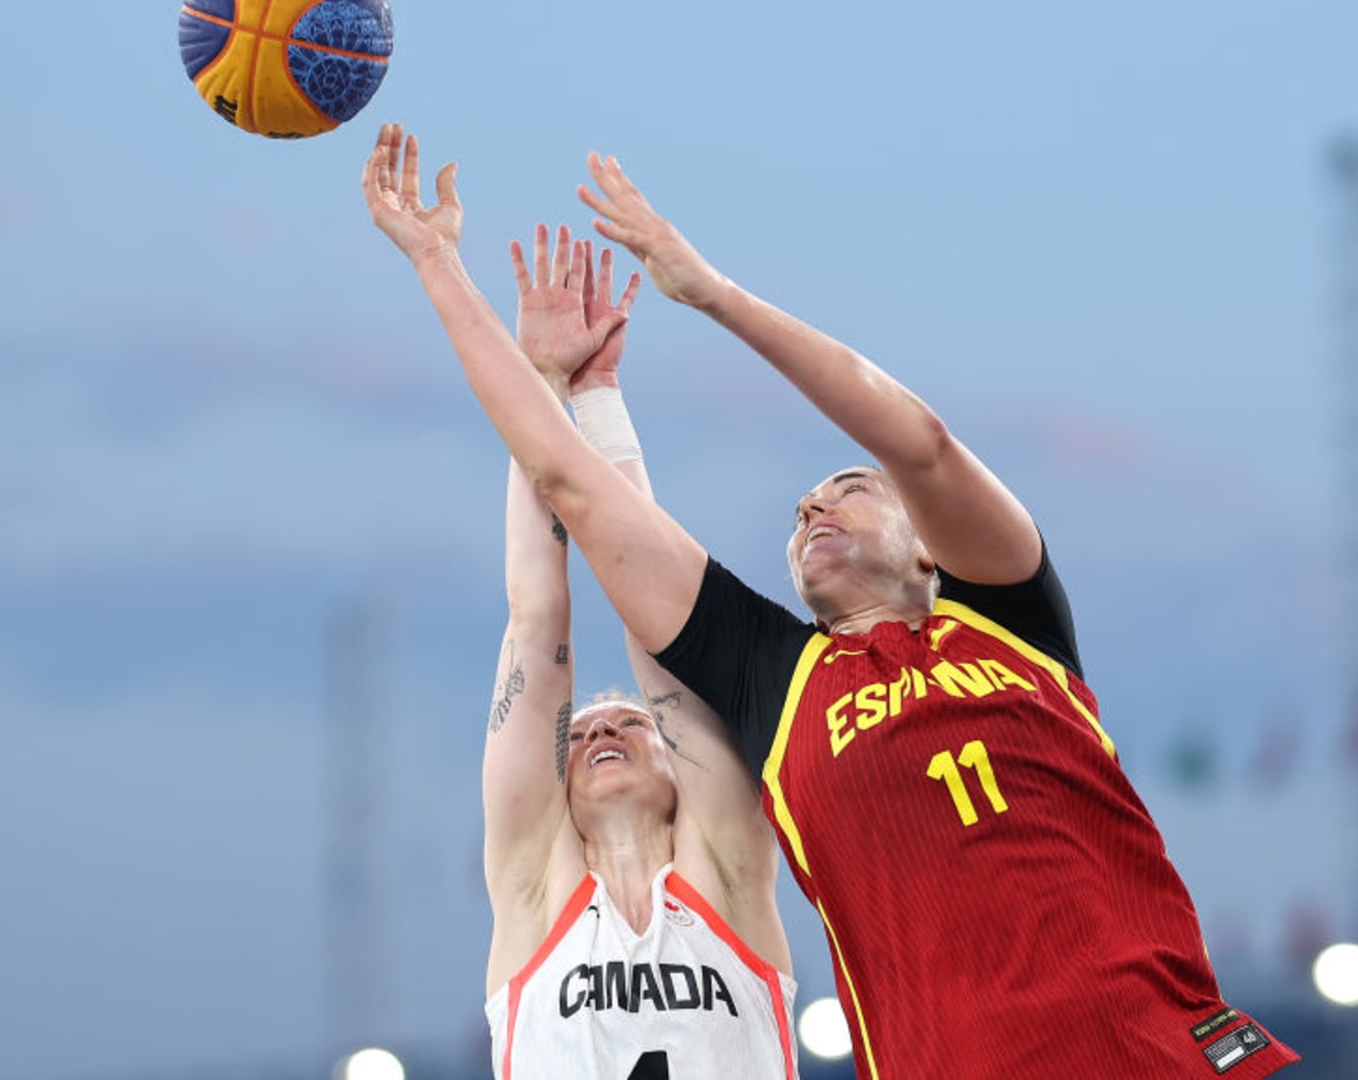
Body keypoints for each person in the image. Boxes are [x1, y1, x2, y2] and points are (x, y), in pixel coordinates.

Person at [364, 123, 1296, 1078]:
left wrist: (712, 293)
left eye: (848, 487)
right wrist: (448, 274)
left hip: (1161, 1050)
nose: (813, 505)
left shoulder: (1009, 616)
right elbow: (576, 491)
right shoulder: (778, 683)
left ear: (927, 545)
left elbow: (921, 443)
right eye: (801, 509)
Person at [476, 221, 797, 1079]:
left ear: (679, 772)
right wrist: (542, 383)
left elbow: (662, 610)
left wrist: (600, 394)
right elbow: (536, 616)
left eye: (628, 722)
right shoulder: (533, 891)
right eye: (581, 734)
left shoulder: (728, 870)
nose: (600, 733)